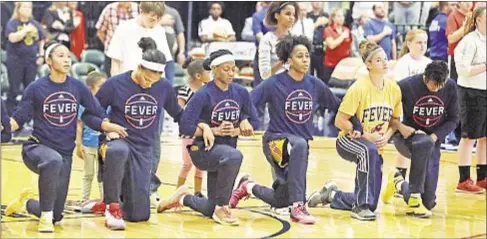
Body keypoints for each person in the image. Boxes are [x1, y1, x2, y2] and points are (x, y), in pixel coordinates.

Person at [229, 35, 361, 224]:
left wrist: (356, 124)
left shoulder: (314, 84)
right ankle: (299, 206)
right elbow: (246, 102)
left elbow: (337, 105)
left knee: (282, 199)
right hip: (275, 142)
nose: (305, 60)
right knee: (299, 145)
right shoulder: (273, 83)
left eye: (307, 56)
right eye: (300, 56)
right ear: (289, 61)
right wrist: (242, 119)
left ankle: (248, 187)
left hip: (298, 149)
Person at [4, 41, 124, 233]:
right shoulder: (36, 88)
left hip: (64, 154)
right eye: (61, 56)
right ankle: (44, 217)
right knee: (53, 162)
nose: (67, 60)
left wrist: (108, 126)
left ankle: (27, 203)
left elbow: (96, 112)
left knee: (57, 215)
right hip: (37, 148)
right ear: (49, 61)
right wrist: (5, 126)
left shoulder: (78, 87)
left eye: (68, 56)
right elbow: (18, 119)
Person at [80, 37, 182, 230]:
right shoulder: (115, 84)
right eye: (146, 79)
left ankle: (105, 201)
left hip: (143, 148)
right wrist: (106, 126)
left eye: (154, 80)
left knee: (139, 215)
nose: (148, 85)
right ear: (139, 68)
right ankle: (112, 207)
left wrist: (202, 126)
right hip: (116, 142)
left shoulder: (163, 87)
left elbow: (178, 114)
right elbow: (88, 115)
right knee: (118, 151)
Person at [157, 49, 258, 226]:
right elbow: (185, 126)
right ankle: (223, 207)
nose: (231, 73)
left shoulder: (241, 92)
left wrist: (243, 123)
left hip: (224, 154)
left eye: (233, 69)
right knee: (235, 156)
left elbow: (255, 121)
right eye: (226, 69)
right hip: (202, 151)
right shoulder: (203, 94)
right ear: (214, 69)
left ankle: (183, 198)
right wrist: (211, 129)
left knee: (210, 208)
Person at [307, 41, 403, 221]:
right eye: (379, 60)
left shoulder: (394, 89)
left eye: (386, 59)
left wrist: (387, 136)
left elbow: (395, 122)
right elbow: (339, 121)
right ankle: (360, 208)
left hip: (375, 147)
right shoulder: (358, 88)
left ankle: (332, 195)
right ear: (368, 65)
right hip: (348, 140)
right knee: (368, 151)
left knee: (372, 202)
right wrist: (367, 136)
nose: (385, 63)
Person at [382, 61, 460, 217]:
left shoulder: (450, 87)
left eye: (440, 85)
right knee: (422, 143)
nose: (436, 89)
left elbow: (454, 118)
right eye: (433, 85)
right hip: (407, 138)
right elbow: (387, 111)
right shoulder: (406, 86)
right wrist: (400, 127)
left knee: (428, 203)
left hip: (432, 141)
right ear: (426, 77)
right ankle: (411, 196)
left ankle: (398, 182)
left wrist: (434, 136)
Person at [454, 6, 486, 192]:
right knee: (469, 137)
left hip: (485, 91)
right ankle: (464, 179)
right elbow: (463, 70)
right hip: (471, 92)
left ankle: (482, 177)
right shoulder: (469, 41)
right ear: (478, 20)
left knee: (485, 137)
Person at [393, 29, 432, 180]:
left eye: (425, 43)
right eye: (418, 42)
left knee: (423, 145)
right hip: (407, 111)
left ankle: (420, 179)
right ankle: (399, 178)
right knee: (405, 146)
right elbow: (400, 89)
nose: (422, 46)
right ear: (408, 44)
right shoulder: (403, 63)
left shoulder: (429, 63)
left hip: (425, 111)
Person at [175, 57, 210, 196]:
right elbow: (179, 111)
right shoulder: (185, 90)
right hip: (189, 133)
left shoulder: (206, 90)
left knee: (200, 165)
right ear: (198, 75)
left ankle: (198, 192)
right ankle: (177, 193)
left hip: (202, 133)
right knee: (187, 164)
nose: (211, 75)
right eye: (208, 72)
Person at [4, 1, 46, 114]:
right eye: (25, 6)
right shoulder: (13, 23)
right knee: (14, 90)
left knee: (30, 90)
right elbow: (12, 38)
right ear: (18, 9)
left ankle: (26, 116)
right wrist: (25, 30)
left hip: (31, 61)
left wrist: (41, 55)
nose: (28, 9)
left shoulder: (34, 23)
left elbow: (42, 39)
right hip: (15, 61)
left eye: (30, 7)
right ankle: (10, 117)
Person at [75, 72, 108, 203]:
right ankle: (84, 200)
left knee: (103, 176)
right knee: (88, 174)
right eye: (100, 86)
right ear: (90, 88)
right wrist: (79, 144)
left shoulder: (106, 104)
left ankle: (105, 201)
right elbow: (79, 126)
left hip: (102, 146)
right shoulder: (83, 106)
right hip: (88, 145)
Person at [323, 8, 353, 85]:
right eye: (338, 16)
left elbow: (351, 46)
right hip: (331, 65)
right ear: (333, 18)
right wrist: (342, 36)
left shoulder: (346, 29)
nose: (341, 18)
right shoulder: (328, 30)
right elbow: (331, 45)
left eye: (342, 16)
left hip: (344, 65)